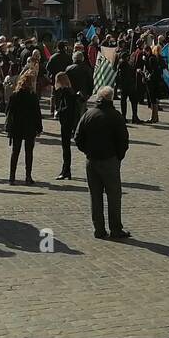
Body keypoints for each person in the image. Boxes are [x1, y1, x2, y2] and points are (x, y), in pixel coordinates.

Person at [73, 85, 130, 240]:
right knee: (113, 196)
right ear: (111, 98)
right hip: (110, 160)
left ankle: (99, 229)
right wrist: (119, 156)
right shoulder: (116, 116)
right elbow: (123, 140)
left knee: (95, 196)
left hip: (91, 160)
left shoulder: (88, 114)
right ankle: (115, 229)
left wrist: (87, 151)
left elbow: (77, 137)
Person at [5, 66, 43, 184]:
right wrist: (39, 127)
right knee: (29, 153)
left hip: (16, 126)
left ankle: (12, 177)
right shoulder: (33, 97)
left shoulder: (14, 96)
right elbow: (37, 113)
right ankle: (28, 176)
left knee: (15, 152)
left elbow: (8, 112)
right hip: (29, 127)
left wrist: (8, 126)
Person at [52, 72, 83, 180]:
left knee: (66, 147)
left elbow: (67, 108)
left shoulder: (66, 92)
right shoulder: (70, 90)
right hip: (70, 121)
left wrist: (58, 112)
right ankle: (66, 170)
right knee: (66, 147)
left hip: (67, 122)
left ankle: (66, 170)